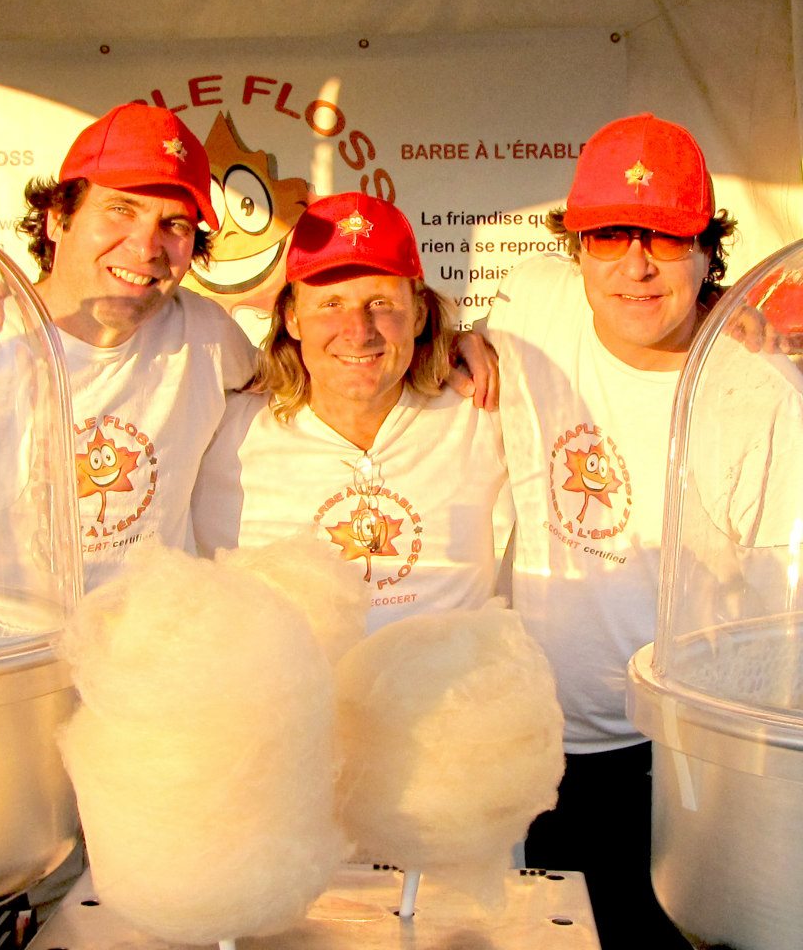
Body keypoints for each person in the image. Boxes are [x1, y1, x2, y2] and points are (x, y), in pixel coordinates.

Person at [485, 112, 738, 949]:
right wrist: (448, 340)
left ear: (708, 249)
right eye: (608, 236)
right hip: (536, 742)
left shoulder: (758, 388)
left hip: (675, 754)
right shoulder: (528, 300)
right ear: (575, 246)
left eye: (665, 238)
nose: (634, 264)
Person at [0, 103, 257, 591]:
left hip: (143, 656)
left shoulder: (206, 336)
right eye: (121, 209)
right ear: (58, 219)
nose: (147, 247)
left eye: (176, 225)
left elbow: (308, 395)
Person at [192, 192, 511, 632]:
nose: (358, 332)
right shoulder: (222, 432)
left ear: (419, 315)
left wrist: (472, 339)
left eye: (381, 304)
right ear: (292, 318)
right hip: (285, 698)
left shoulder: (480, 412)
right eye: (331, 304)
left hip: (448, 696)